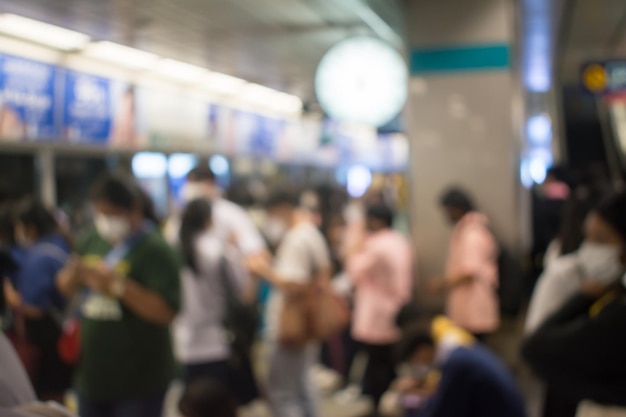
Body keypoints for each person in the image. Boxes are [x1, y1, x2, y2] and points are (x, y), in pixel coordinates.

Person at [56, 173, 181, 417]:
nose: (106, 221)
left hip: (139, 382)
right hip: (92, 379)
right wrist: (74, 275)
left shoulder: (156, 249)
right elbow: (63, 287)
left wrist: (117, 287)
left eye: (111, 214)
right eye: (100, 214)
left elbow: (166, 312)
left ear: (133, 210)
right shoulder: (93, 238)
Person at [523, 191, 626, 417]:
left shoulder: (617, 312)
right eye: (587, 238)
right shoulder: (567, 273)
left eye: (601, 239)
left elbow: (535, 348)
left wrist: (586, 295)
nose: (590, 249)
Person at [248, 188, 332, 417]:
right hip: (307, 321)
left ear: (282, 209)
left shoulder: (296, 239)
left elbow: (294, 285)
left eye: (271, 214)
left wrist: (263, 270)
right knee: (303, 386)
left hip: (289, 324)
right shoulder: (311, 233)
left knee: (283, 393)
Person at [174, 199, 255, 402]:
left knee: (192, 405)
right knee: (216, 405)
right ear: (209, 220)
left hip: (183, 343)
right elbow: (242, 291)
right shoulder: (219, 252)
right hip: (216, 342)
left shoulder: (174, 251)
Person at [346, 204, 413, 416]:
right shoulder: (401, 241)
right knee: (389, 362)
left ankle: (379, 407)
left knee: (377, 365)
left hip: (377, 314)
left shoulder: (376, 244)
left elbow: (355, 270)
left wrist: (354, 247)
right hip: (397, 310)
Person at [2, 199, 72, 402]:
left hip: (45, 344)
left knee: (46, 401)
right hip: (63, 337)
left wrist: (12, 300)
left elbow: (34, 307)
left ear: (30, 229)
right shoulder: (59, 245)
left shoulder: (36, 258)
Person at [395, 315, 526, 417]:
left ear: (422, 350)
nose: (418, 366)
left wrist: (407, 409)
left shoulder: (457, 364)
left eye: (415, 361)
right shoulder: (459, 354)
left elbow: (444, 412)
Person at [429, 188, 499, 339]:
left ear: (456, 208)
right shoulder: (467, 231)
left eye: (447, 210)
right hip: (468, 310)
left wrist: (441, 284)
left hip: (474, 310)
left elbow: (469, 272)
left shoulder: (472, 235)